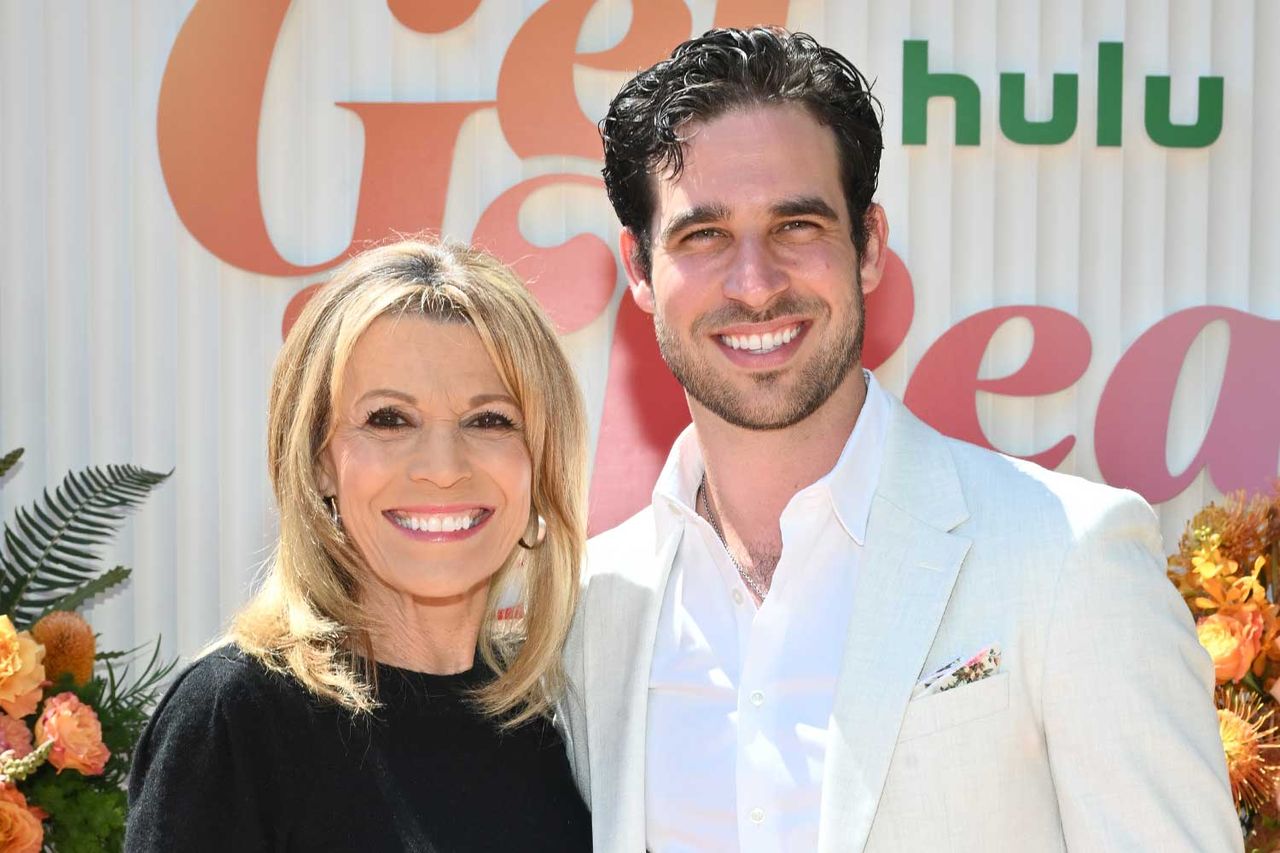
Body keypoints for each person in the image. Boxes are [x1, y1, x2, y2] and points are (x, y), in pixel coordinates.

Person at [561, 26, 1240, 852]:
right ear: (638, 268)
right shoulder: (595, 606)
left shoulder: (1067, 556)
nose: (756, 282)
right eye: (703, 235)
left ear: (870, 245)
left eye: (797, 225)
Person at [126, 240, 593, 851]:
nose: (442, 467)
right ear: (319, 462)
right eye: (389, 419)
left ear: (541, 465)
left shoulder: (556, 725)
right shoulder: (238, 720)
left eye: (490, 420)